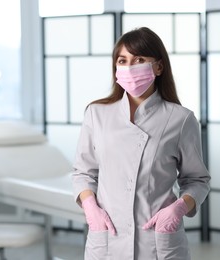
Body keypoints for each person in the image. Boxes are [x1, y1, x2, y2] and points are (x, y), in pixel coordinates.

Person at [71, 27, 211, 260]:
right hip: (107, 238)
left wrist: (178, 209)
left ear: (158, 66)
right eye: (122, 60)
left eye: (139, 60)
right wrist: (90, 208)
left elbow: (197, 180)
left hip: (157, 240)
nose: (129, 67)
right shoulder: (96, 113)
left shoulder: (181, 119)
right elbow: (83, 172)